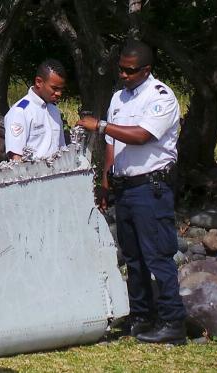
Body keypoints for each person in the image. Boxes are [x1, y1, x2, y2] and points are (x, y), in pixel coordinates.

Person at [76, 40, 187, 344]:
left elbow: (140, 136)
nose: (123, 74)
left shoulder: (160, 97)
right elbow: (114, 145)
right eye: (121, 68)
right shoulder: (118, 98)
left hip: (150, 187)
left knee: (158, 256)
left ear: (146, 70)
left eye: (130, 70)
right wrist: (106, 181)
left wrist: (99, 125)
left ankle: (172, 321)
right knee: (132, 257)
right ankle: (141, 316)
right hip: (125, 186)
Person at [4, 59, 67, 160]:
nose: (59, 93)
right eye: (55, 88)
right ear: (39, 82)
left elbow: (61, 148)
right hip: (32, 174)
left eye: (61, 89)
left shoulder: (54, 110)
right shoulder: (21, 111)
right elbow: (15, 156)